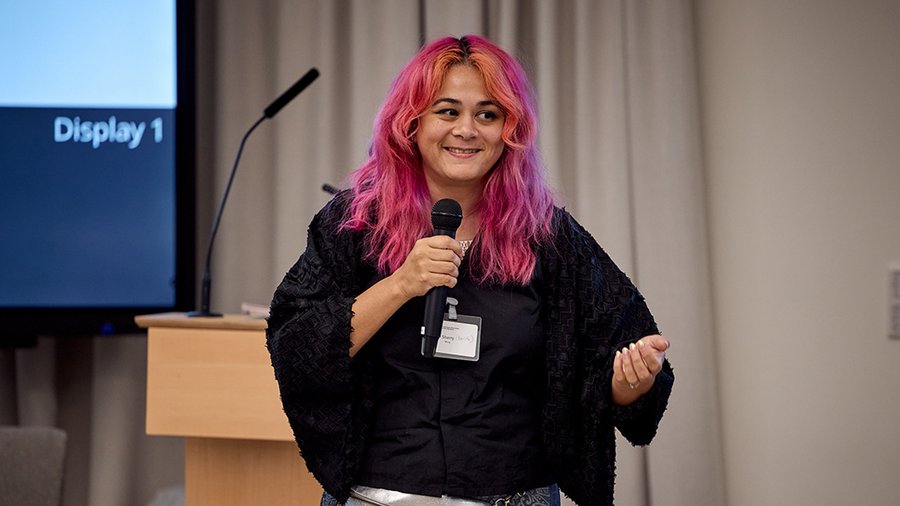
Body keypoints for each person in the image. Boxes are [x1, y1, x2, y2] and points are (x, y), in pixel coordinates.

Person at [266, 35, 674, 506]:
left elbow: (629, 361)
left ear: (510, 131)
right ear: (411, 122)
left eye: (487, 114)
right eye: (447, 111)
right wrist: (401, 284)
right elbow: (297, 349)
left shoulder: (551, 237)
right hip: (377, 493)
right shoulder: (353, 224)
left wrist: (629, 386)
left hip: (513, 492)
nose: (467, 129)